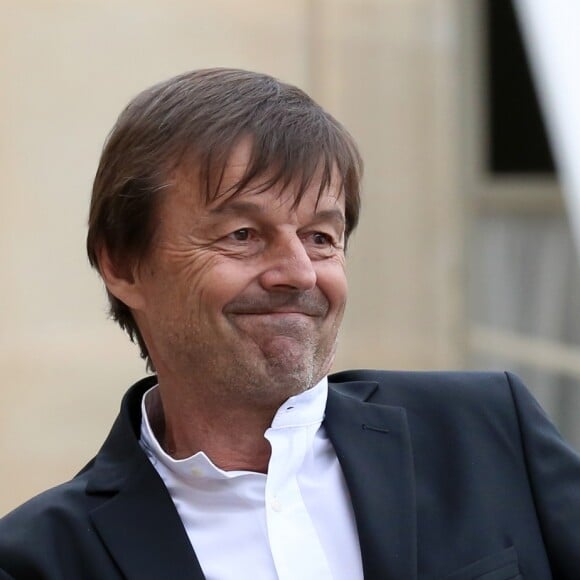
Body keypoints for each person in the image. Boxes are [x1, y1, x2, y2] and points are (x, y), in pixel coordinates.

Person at [0, 68, 579, 580]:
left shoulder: (487, 433)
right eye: (243, 235)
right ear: (123, 264)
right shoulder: (41, 558)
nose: (299, 274)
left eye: (321, 237)